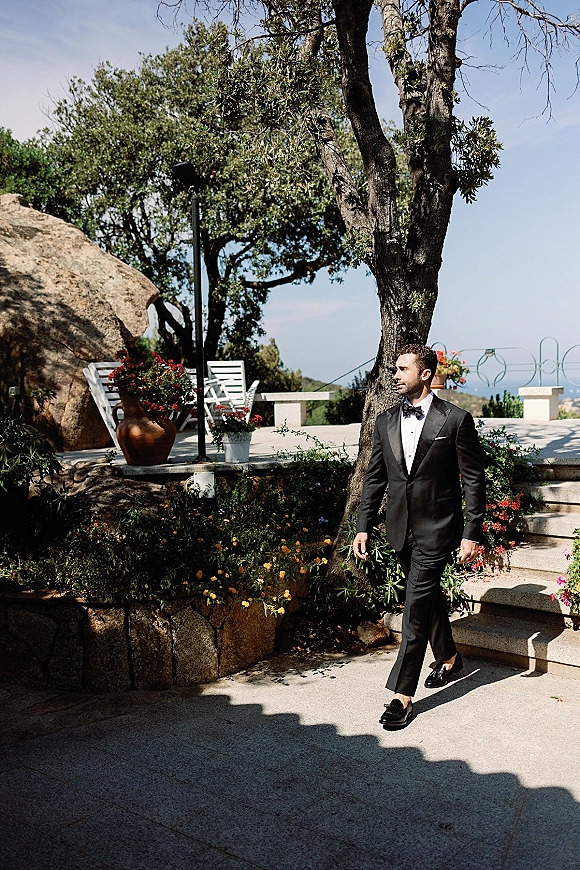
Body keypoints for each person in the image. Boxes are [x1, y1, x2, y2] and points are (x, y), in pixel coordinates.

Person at [353, 344, 486, 729]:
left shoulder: (455, 420)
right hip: (399, 528)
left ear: (424, 373)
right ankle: (448, 658)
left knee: (414, 609)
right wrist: (363, 526)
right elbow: (375, 477)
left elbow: (473, 479)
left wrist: (471, 531)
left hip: (437, 529)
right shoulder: (385, 421)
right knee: (427, 600)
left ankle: (402, 696)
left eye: (402, 368)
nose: (394, 374)